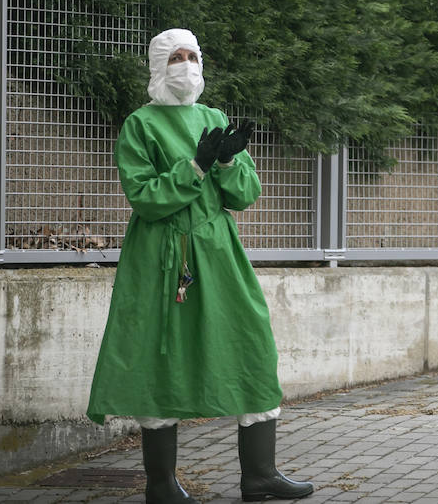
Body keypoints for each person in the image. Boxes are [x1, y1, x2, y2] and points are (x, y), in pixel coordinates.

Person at [87, 28, 313, 503]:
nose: (186, 65)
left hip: (218, 248)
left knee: (250, 343)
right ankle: (161, 485)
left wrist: (229, 163)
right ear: (158, 66)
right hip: (160, 256)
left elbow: (245, 195)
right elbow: (146, 198)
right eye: (176, 57)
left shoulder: (214, 116)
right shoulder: (140, 125)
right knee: (159, 355)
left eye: (192, 56)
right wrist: (193, 167)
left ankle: (260, 475)